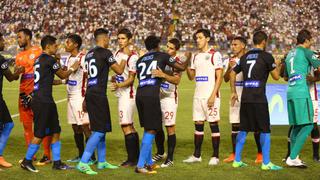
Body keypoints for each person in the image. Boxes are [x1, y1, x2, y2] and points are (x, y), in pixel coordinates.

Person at [19, 35, 80, 172]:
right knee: (40, 133)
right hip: (43, 101)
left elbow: (48, 80)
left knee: (55, 131)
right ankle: (26, 161)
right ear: (48, 46)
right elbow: (63, 74)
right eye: (55, 45)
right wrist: (73, 68)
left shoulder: (39, 59)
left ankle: (57, 163)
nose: (57, 47)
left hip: (44, 99)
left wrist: (61, 79)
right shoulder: (49, 59)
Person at [135, 35, 188, 174]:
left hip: (140, 94)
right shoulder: (162, 56)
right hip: (152, 95)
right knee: (152, 130)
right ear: (158, 45)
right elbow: (181, 67)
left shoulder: (140, 59)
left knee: (148, 128)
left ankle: (149, 162)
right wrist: (188, 57)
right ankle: (140, 165)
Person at [230, 31, 282, 170]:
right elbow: (276, 77)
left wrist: (234, 92)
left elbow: (232, 72)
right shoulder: (266, 56)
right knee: (265, 130)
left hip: (246, 98)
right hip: (259, 99)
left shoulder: (245, 56)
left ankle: (237, 160)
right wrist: (278, 64)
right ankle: (266, 163)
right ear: (264, 42)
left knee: (243, 129)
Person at [76, 28, 126, 175]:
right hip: (98, 95)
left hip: (91, 93)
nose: (109, 41)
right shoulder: (105, 52)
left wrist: (85, 98)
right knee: (98, 131)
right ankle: (83, 162)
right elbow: (119, 70)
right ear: (104, 39)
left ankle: (102, 161)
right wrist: (124, 58)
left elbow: (91, 76)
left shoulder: (89, 54)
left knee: (102, 129)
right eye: (108, 39)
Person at [183, 29, 223, 165]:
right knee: (198, 125)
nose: (197, 40)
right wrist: (187, 62)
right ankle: (197, 155)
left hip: (210, 96)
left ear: (207, 38)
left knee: (213, 125)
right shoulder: (195, 56)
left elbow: (219, 77)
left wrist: (213, 95)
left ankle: (215, 156)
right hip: (198, 96)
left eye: (200, 37)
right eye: (196, 38)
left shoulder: (215, 55)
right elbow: (191, 77)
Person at [15, 28, 52, 165]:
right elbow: (17, 74)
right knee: (26, 125)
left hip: (37, 92)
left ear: (28, 37)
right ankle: (31, 156)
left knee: (42, 124)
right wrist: (17, 71)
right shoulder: (19, 56)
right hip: (23, 92)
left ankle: (47, 155)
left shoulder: (38, 51)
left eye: (20, 37)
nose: (18, 40)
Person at [284, 29, 320, 168]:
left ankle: (293, 157)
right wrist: (315, 78)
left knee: (297, 125)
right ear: (306, 40)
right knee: (309, 124)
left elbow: (286, 76)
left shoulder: (289, 55)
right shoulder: (307, 52)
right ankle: (292, 157)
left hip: (290, 91)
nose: (311, 43)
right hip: (301, 92)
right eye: (310, 40)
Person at [223, 37, 262, 164]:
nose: (233, 47)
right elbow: (225, 79)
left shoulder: (250, 58)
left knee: (255, 126)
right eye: (232, 44)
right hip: (235, 95)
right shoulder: (231, 60)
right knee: (235, 125)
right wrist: (230, 68)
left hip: (249, 93)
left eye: (235, 44)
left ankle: (260, 154)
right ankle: (234, 154)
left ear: (243, 45)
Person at [61, 34, 96, 164]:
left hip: (80, 97)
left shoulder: (83, 58)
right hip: (70, 97)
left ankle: (91, 157)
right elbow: (67, 78)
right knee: (75, 127)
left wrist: (86, 98)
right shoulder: (69, 58)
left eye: (68, 42)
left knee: (86, 127)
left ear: (75, 44)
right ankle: (81, 155)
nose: (66, 44)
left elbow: (89, 78)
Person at [151, 38, 184, 167]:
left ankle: (170, 159)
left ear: (176, 50)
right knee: (157, 126)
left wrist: (163, 75)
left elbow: (176, 81)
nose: (168, 50)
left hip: (169, 97)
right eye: (167, 47)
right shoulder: (161, 59)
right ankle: (160, 152)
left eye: (171, 48)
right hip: (158, 96)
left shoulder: (177, 62)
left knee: (170, 127)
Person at [111, 28, 140, 167]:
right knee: (130, 126)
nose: (120, 41)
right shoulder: (117, 53)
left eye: (123, 38)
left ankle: (131, 159)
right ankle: (136, 157)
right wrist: (114, 78)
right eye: (119, 38)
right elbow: (118, 73)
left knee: (125, 126)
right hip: (121, 94)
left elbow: (131, 79)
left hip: (127, 94)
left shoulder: (133, 56)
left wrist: (118, 85)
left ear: (129, 40)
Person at [0, 32, 24, 168]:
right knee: (8, 125)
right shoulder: (1, 59)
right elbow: (10, 77)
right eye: (2, 40)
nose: (4, 43)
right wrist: (18, 71)